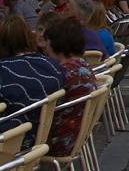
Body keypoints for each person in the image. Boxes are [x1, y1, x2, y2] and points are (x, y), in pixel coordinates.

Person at [40, 18, 101, 155]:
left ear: (57, 45)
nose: (45, 48)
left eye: (47, 43)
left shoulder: (62, 73)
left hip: (58, 140)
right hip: (77, 134)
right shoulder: (82, 66)